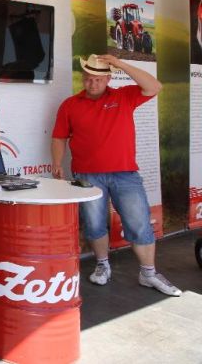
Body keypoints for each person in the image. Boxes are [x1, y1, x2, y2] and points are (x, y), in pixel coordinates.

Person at [51, 54, 181, 297]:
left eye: (98, 79)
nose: (92, 83)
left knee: (139, 222)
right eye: (88, 78)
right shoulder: (70, 105)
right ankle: (102, 265)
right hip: (87, 175)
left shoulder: (123, 96)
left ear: (109, 78)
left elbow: (154, 87)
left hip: (125, 174)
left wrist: (120, 63)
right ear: (83, 79)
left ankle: (148, 273)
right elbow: (59, 136)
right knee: (94, 224)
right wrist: (57, 163)